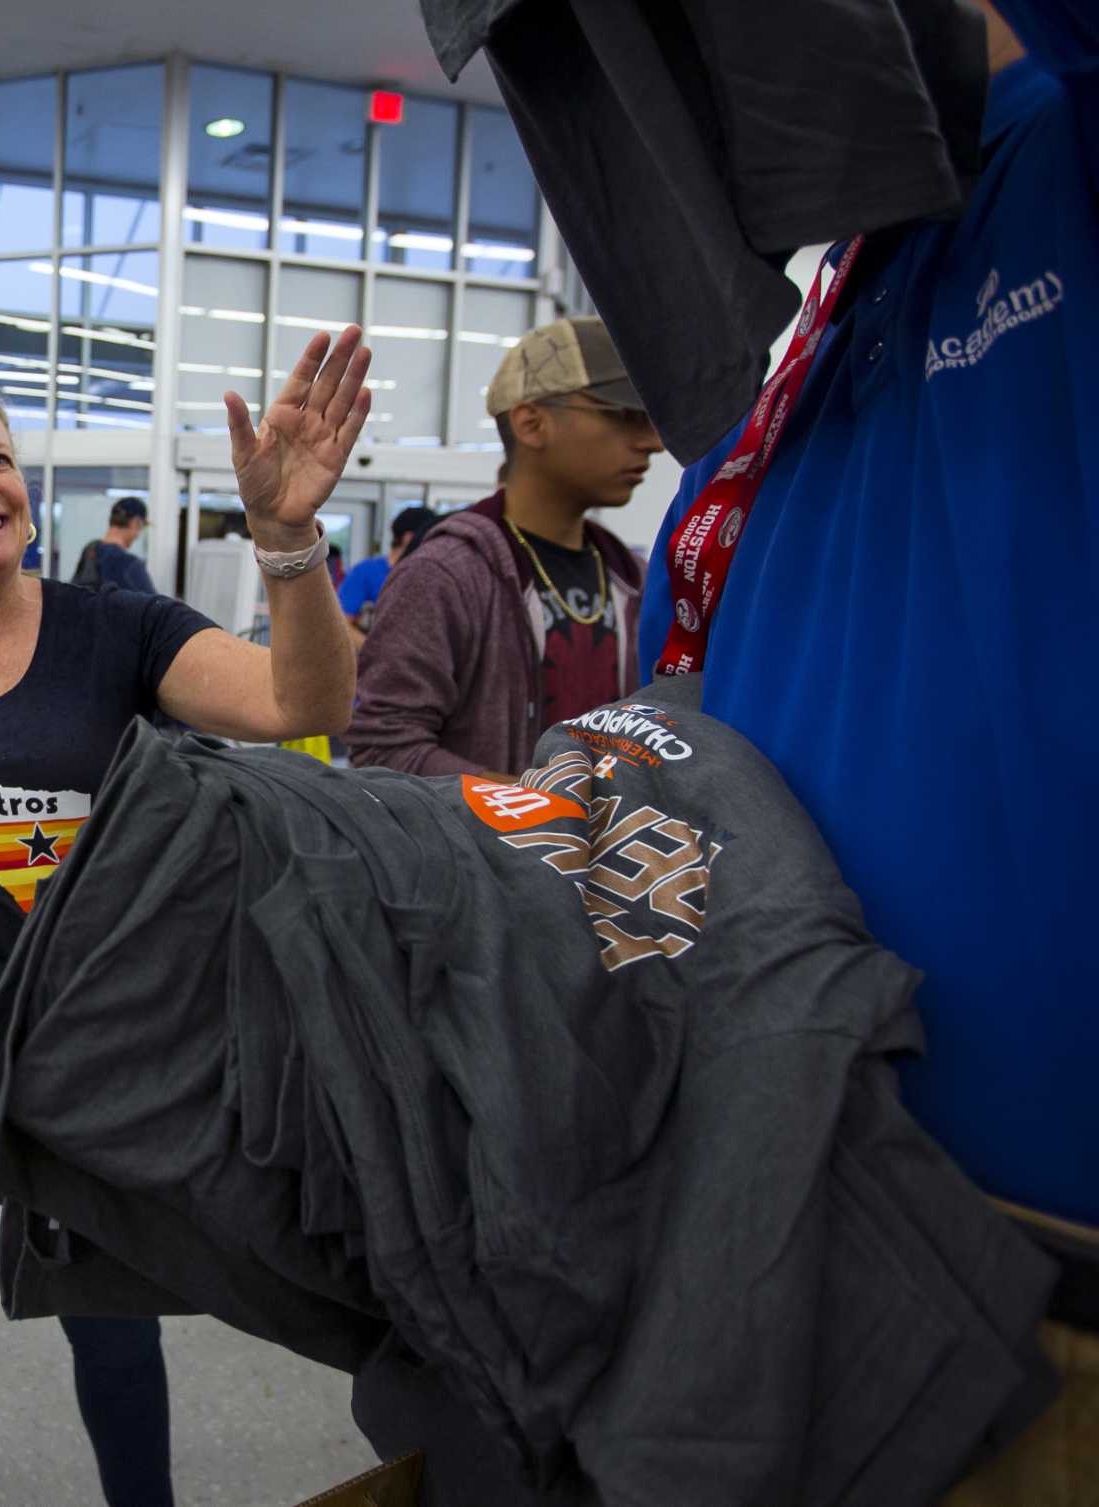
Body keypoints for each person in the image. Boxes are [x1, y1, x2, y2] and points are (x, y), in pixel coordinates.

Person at [0, 326, 370, 1507]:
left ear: (27, 497)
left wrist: (287, 539)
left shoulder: (118, 633)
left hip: (104, 1054)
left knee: (114, 1329)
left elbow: (305, 698)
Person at [636, 6, 1093, 1497]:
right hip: (784, 1213)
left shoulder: (1064, 149)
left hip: (1041, 1267)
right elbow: (675, 743)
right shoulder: (790, 345)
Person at [345, 317, 663, 779]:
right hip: (480, 852)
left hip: (606, 850)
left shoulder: (634, 579)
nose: (652, 442)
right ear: (531, 423)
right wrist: (546, 809)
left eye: (652, 419)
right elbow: (383, 750)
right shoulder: (445, 574)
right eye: (624, 415)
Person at [338, 505, 440, 647]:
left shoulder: (429, 575)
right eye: (430, 537)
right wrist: (376, 654)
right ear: (409, 538)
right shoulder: (365, 572)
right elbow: (342, 625)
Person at [71, 497, 157, 594]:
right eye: (142, 527)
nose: (138, 534)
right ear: (135, 522)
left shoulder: (90, 550)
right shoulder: (130, 564)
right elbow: (157, 607)